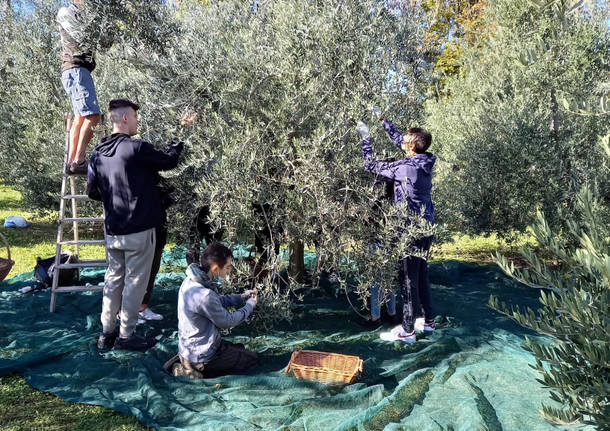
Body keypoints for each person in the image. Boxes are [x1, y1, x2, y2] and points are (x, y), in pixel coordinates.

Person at [88, 99, 186, 351]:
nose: (137, 121)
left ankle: (106, 333)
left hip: (114, 230)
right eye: (134, 116)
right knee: (134, 283)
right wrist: (180, 133)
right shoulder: (136, 148)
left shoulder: (97, 154)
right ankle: (126, 335)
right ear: (123, 119)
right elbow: (169, 161)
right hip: (140, 229)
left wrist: (115, 199)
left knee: (113, 280)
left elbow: (93, 192)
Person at [356, 109, 436, 343]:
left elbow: (370, 165)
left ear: (412, 145)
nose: (403, 139)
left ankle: (408, 330)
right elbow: (400, 140)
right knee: (421, 274)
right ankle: (429, 320)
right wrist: (384, 121)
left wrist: (366, 138)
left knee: (408, 279)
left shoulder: (405, 168)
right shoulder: (425, 160)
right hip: (427, 226)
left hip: (409, 230)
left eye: (407, 138)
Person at [164, 242, 259, 378]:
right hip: (203, 356)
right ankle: (191, 371)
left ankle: (187, 363)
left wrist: (242, 297)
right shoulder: (204, 295)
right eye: (228, 267)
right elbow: (227, 321)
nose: (230, 270)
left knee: (240, 349)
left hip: (191, 348)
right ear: (215, 268)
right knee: (252, 359)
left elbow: (216, 301)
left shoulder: (191, 281)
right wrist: (250, 305)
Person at [57, 0, 110, 174]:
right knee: (93, 116)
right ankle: (79, 160)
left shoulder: (85, 15)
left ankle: (72, 162)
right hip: (76, 70)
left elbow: (104, 43)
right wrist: (97, 21)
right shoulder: (66, 12)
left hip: (79, 71)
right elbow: (81, 36)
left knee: (80, 117)